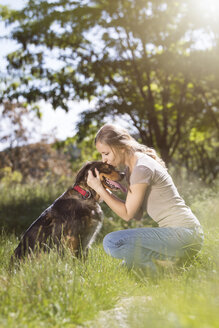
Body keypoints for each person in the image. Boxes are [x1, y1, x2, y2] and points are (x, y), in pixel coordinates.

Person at [87, 124, 204, 275]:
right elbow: (137, 214)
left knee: (111, 242)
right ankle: (173, 262)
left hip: (184, 234)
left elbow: (127, 215)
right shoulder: (132, 169)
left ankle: (162, 271)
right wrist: (111, 188)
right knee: (125, 267)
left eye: (106, 153)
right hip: (182, 236)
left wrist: (100, 190)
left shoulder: (141, 168)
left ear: (121, 147)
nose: (104, 160)